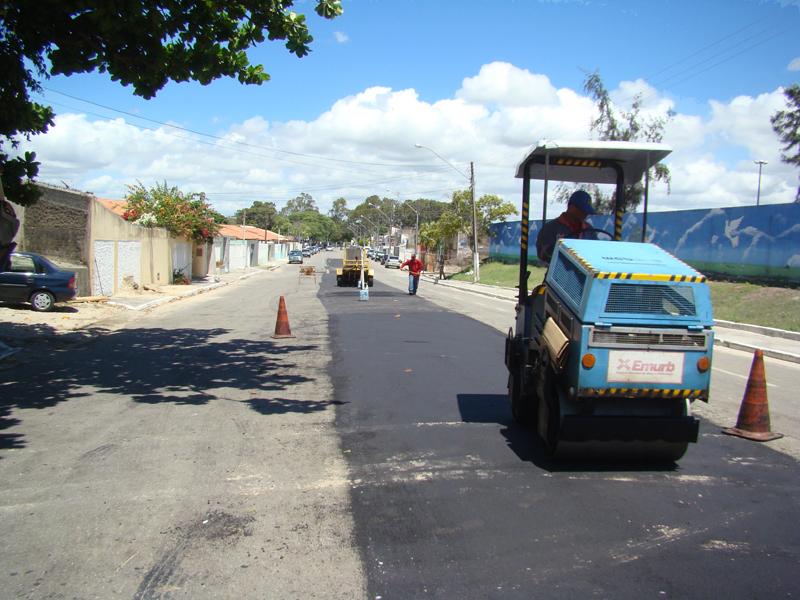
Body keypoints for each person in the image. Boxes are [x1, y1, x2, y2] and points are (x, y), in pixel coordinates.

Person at [535, 189, 596, 264]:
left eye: (587, 211)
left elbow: (596, 252)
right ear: (571, 207)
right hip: (558, 271)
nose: (585, 214)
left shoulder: (589, 230)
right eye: (582, 210)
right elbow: (543, 254)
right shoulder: (550, 228)